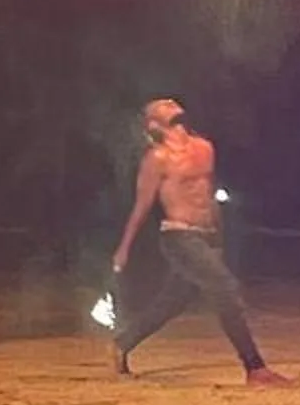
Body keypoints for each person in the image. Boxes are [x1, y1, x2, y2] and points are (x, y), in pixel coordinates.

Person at [105, 100, 289, 385]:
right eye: (162, 106)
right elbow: (142, 206)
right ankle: (255, 368)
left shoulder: (204, 148)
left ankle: (123, 342)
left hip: (206, 236)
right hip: (178, 236)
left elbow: (207, 193)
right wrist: (124, 248)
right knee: (225, 289)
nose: (170, 103)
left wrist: (218, 236)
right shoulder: (157, 159)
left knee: (172, 303)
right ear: (154, 125)